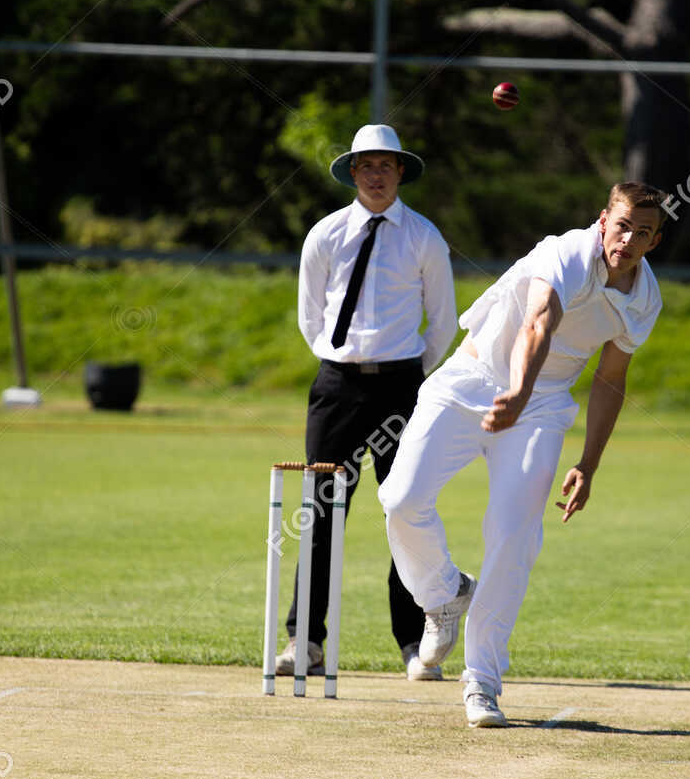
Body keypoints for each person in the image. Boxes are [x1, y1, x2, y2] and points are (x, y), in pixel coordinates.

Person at [378, 181, 668, 727]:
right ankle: (443, 596)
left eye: (644, 233)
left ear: (655, 242)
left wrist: (589, 462)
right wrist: (515, 388)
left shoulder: (645, 298)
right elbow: (540, 320)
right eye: (623, 225)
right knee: (400, 498)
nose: (629, 240)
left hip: (540, 408)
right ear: (603, 219)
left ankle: (482, 682)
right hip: (471, 379)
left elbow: (611, 379)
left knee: (513, 537)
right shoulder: (566, 252)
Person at [277, 123, 457, 680]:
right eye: (365, 166)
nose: (376, 175)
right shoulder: (326, 234)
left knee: (403, 510)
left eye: (386, 165)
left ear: (400, 172)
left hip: (402, 387)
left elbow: (444, 320)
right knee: (322, 511)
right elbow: (311, 315)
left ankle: (412, 641)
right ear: (352, 173)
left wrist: (411, 376)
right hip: (337, 387)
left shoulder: (423, 236)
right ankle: (305, 641)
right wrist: (341, 361)